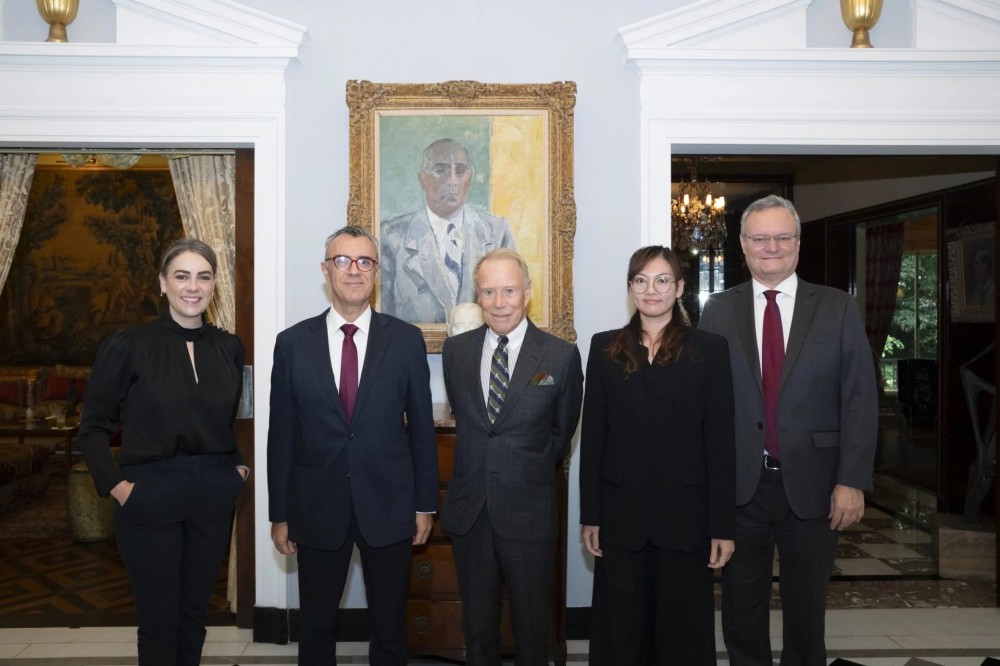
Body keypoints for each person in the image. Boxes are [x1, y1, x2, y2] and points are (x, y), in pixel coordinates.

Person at [698, 194, 878, 665]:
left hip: (817, 484)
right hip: (742, 487)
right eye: (760, 238)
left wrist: (852, 480)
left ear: (798, 242)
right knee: (740, 606)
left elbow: (860, 398)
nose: (771, 247)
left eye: (782, 237)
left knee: (807, 608)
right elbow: (703, 406)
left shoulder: (837, 307)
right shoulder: (718, 311)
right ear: (743, 244)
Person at [267, 225, 438, 665]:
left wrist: (425, 505)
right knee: (316, 628)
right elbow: (281, 436)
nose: (354, 270)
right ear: (326, 270)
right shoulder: (292, 344)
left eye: (365, 261)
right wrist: (280, 514)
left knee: (390, 629)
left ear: (376, 272)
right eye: (342, 260)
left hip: (389, 506)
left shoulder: (405, 340)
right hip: (316, 508)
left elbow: (421, 430)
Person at [77, 238, 247, 666]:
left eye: (203, 277)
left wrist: (237, 472)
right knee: (159, 621)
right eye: (182, 276)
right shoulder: (128, 345)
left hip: (211, 495)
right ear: (162, 282)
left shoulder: (229, 347)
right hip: (148, 495)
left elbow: (232, 421)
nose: (193, 287)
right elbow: (93, 427)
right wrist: (118, 487)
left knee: (194, 617)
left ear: (214, 285)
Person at [580, 245, 736, 665]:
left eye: (663, 280)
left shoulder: (710, 349)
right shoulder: (604, 348)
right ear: (630, 288)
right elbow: (593, 437)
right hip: (621, 513)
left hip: (686, 515)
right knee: (622, 629)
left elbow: (721, 443)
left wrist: (723, 525)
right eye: (642, 280)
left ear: (680, 288)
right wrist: (590, 514)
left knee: (682, 633)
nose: (652, 290)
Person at [441, 248, 583, 666]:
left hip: (528, 513)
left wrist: (524, 467)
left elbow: (560, 433)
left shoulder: (560, 356)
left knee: (532, 629)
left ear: (527, 292)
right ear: (478, 296)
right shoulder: (456, 352)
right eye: (489, 292)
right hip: (471, 512)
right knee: (478, 629)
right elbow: (471, 423)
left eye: (509, 290)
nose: (499, 302)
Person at [381, 138, 516, 324]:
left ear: (470, 178)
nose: (452, 181)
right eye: (440, 171)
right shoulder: (391, 236)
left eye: (460, 171)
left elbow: (511, 303)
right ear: (422, 180)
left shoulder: (497, 232)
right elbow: (383, 317)